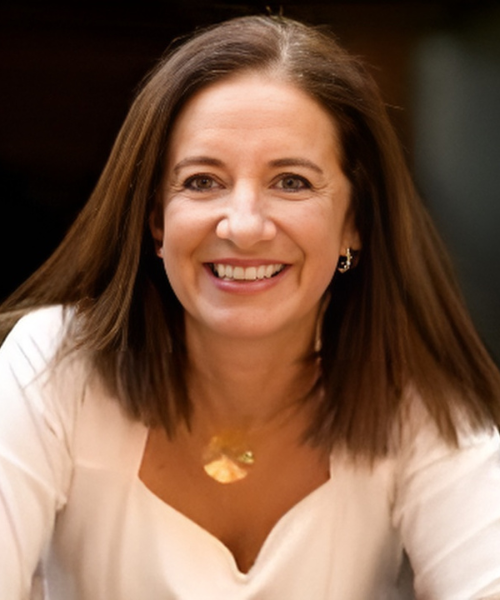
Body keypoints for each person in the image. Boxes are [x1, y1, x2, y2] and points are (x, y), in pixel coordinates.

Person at [0, 14, 499, 600]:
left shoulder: (417, 400)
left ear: (355, 222)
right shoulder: (55, 364)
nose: (242, 226)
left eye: (291, 182)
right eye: (202, 181)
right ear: (156, 219)